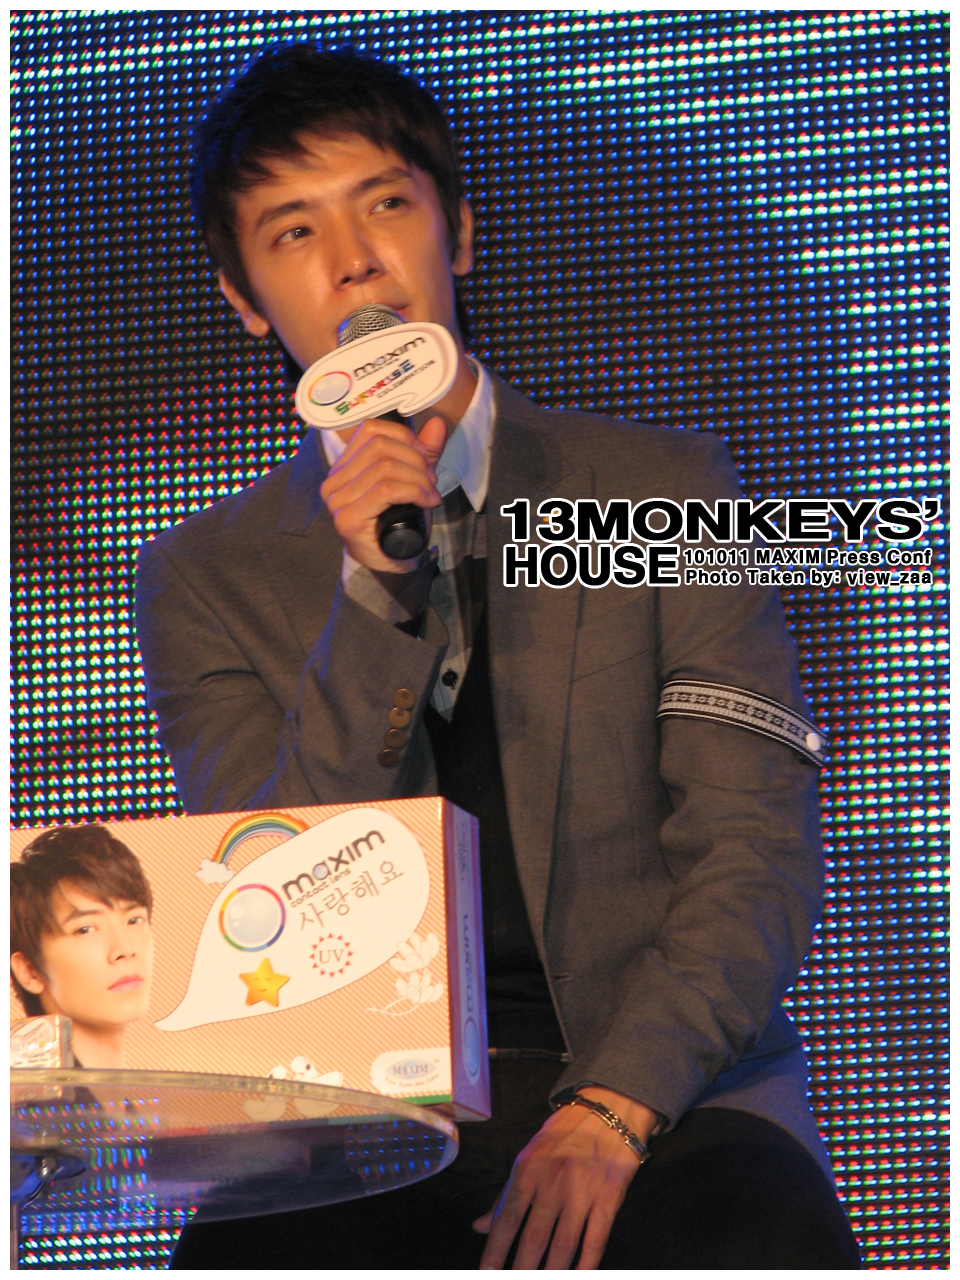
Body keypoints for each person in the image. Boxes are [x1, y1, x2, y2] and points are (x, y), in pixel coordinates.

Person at [135, 43, 860, 1269]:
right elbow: (269, 905)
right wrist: (371, 590)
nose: (354, 259)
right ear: (244, 297)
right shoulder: (205, 574)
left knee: (750, 1228)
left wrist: (612, 1108)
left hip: (664, 1090)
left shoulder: (665, 488)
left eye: (385, 204)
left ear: (458, 232)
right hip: (361, 1118)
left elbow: (753, 849)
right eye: (295, 231)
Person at [10, 824, 155, 1070]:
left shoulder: (145, 1092)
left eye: (134, 920)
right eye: (86, 929)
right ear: (29, 971)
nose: (125, 949)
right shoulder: (25, 1094)